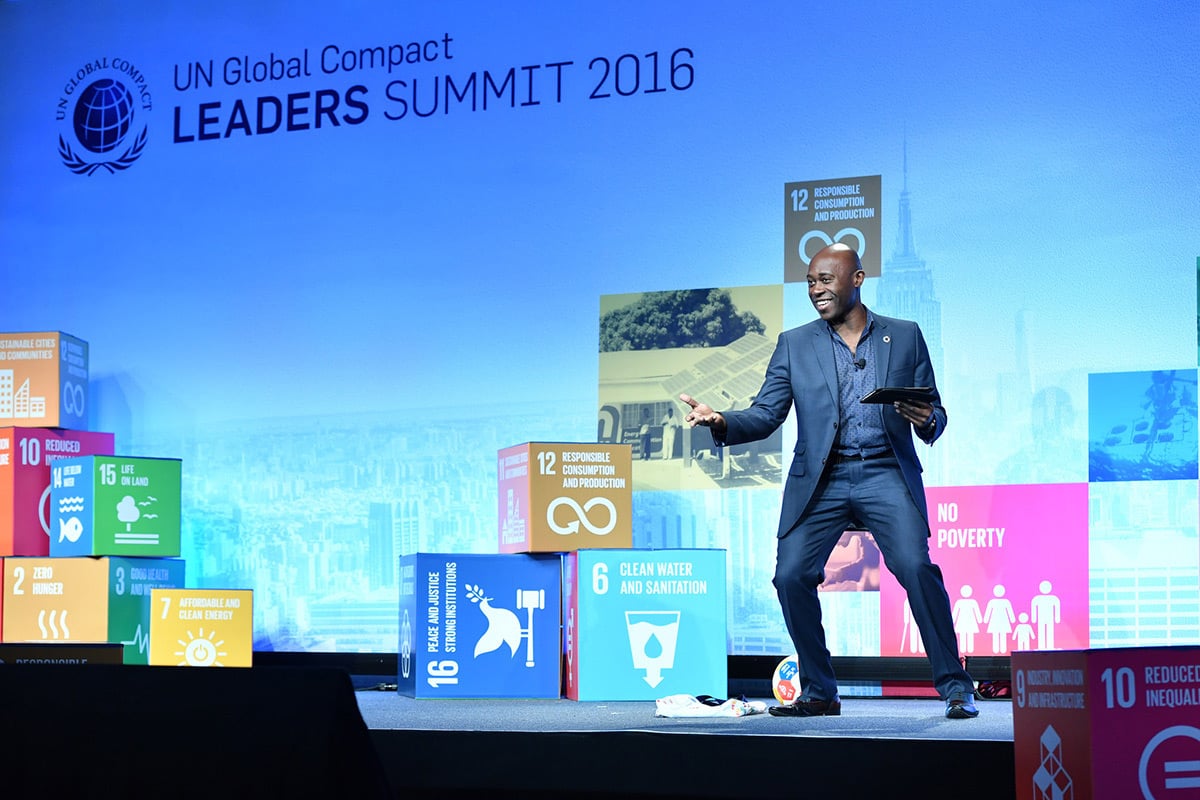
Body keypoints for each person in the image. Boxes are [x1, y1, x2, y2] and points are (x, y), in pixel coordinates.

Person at [680, 242, 978, 719]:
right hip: (821, 479)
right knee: (790, 576)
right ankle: (820, 691)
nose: (816, 289)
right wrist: (721, 422)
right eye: (811, 282)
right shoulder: (795, 343)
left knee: (917, 569)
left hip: (885, 471)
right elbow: (766, 414)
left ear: (856, 280)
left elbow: (936, 415)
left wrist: (925, 419)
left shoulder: (904, 336)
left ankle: (956, 687)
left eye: (826, 279)